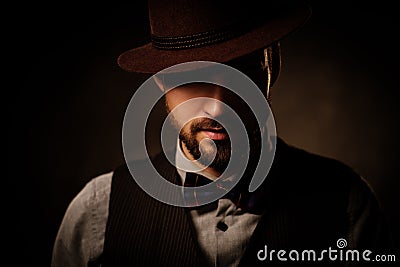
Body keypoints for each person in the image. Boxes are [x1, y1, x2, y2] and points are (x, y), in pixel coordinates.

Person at [51, 0, 393, 266]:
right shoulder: (96, 214)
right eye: (190, 79)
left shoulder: (348, 207)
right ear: (159, 81)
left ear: (272, 64)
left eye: (240, 74)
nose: (216, 108)